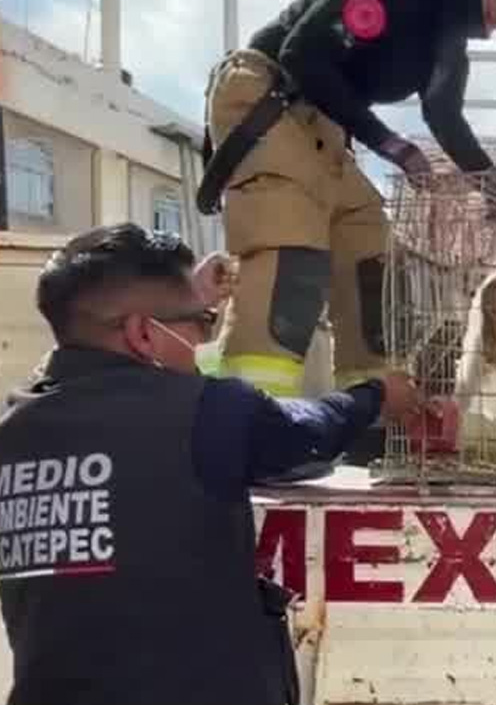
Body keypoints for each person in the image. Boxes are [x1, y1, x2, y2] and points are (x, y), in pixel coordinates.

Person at [0, 223, 426, 705]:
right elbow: (307, 431)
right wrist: (376, 396)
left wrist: (182, 300)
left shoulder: (15, 430)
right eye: (202, 321)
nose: (205, 334)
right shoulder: (204, 410)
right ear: (143, 332)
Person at [198, 0, 496, 460]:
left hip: (326, 125)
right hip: (269, 93)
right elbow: (303, 53)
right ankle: (250, 427)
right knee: (291, 254)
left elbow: (445, 116)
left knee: (371, 261)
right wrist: (390, 144)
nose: (494, 25)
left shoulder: (448, 44)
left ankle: (371, 423)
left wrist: (495, 190)